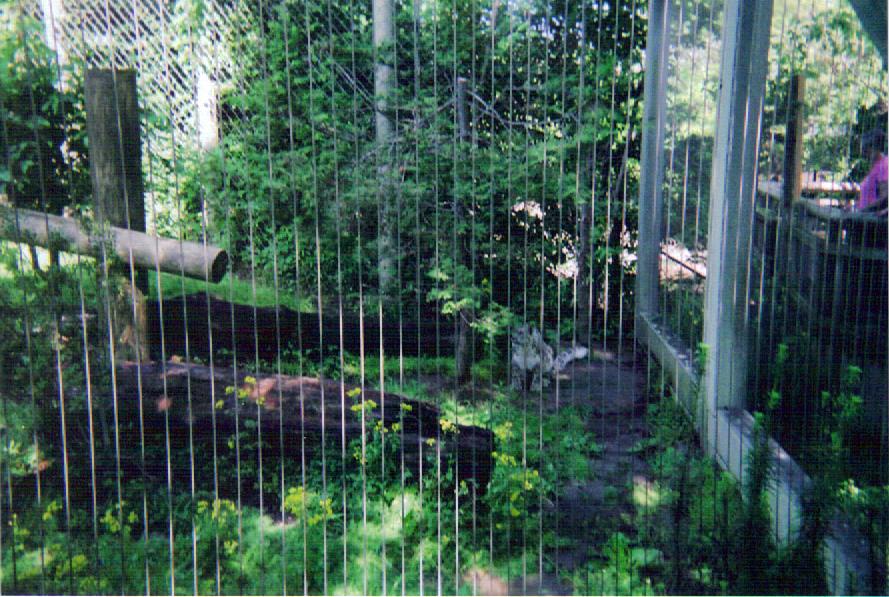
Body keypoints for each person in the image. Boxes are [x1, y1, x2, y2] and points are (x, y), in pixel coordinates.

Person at [856, 128, 888, 214]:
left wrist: (863, 212)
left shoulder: (884, 165)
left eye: (866, 149)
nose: (864, 153)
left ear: (876, 148)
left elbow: (885, 197)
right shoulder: (876, 166)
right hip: (866, 220)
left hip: (873, 223)